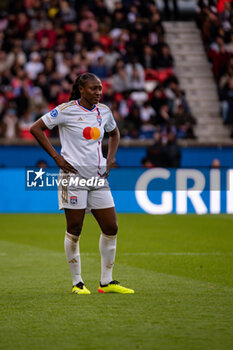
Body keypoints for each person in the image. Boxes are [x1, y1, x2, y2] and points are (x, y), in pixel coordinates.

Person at [30, 72, 134, 295]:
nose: (98, 92)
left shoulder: (104, 112)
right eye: (93, 89)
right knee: (75, 228)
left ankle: (106, 282)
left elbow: (114, 134)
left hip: (98, 178)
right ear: (81, 90)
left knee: (111, 227)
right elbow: (36, 128)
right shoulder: (66, 110)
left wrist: (110, 158)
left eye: (99, 89)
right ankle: (77, 283)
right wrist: (57, 158)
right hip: (73, 177)